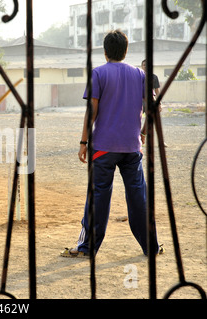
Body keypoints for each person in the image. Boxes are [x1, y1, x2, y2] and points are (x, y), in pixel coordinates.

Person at [60, 30, 163, 258]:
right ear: (126, 51)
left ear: (105, 52)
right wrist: (143, 133)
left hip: (104, 148)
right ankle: (151, 247)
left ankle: (87, 248)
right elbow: (154, 110)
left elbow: (92, 111)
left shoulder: (98, 74)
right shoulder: (140, 75)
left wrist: (83, 142)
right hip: (131, 148)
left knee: (98, 197)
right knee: (139, 198)